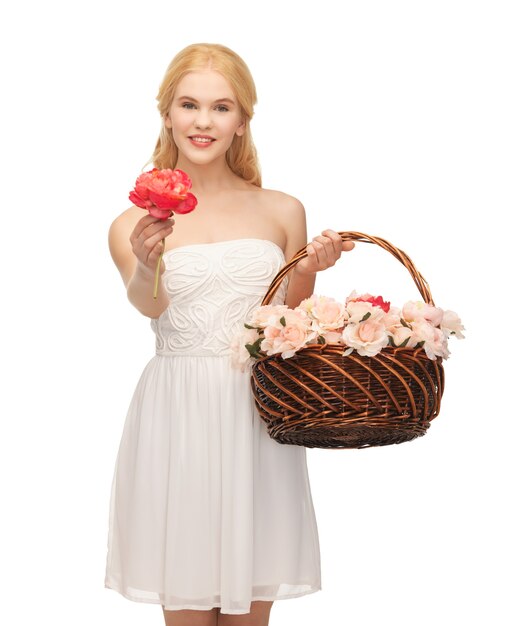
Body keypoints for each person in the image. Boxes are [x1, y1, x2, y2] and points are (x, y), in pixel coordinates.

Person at [104, 42, 355, 626]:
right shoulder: (131, 223)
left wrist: (310, 270)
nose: (203, 121)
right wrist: (146, 263)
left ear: (242, 121)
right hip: (177, 415)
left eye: (221, 107)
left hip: (258, 414)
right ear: (167, 113)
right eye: (189, 105)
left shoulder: (281, 209)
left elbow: (287, 318)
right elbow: (150, 305)